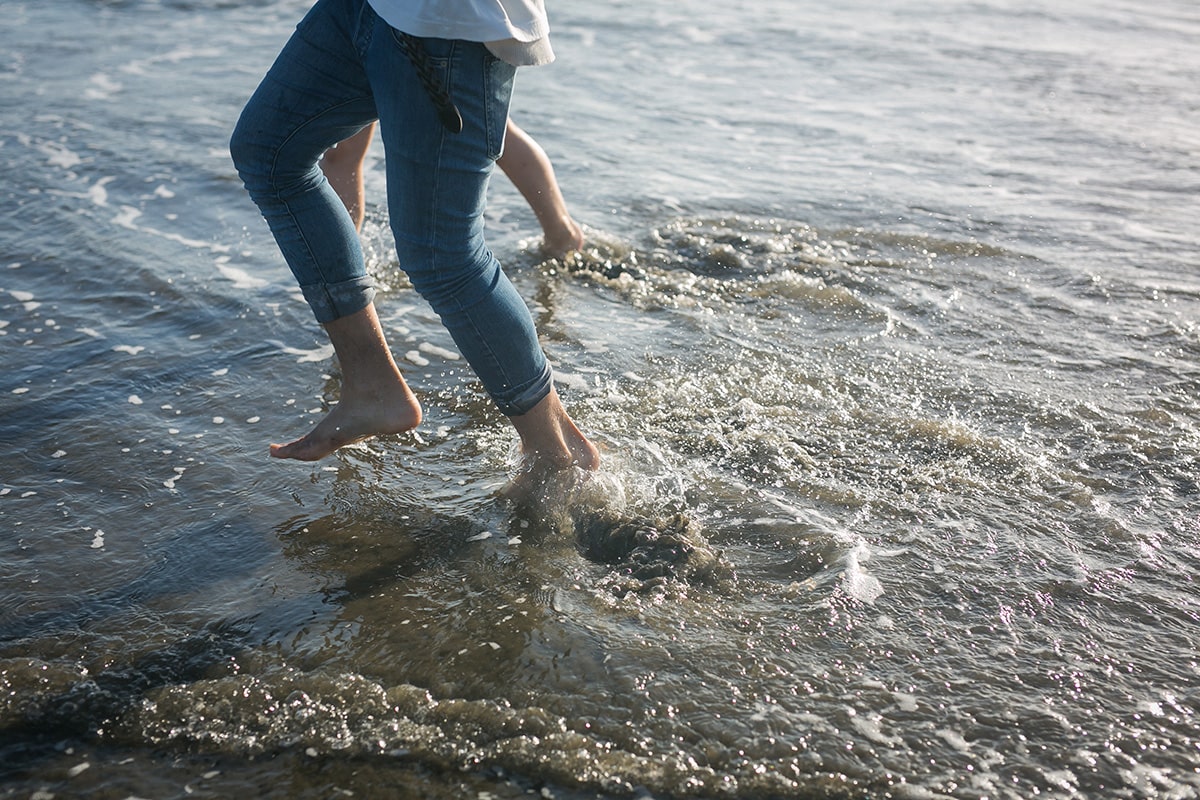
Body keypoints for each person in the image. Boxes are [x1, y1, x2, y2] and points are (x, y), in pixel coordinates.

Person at [229, 0, 598, 478]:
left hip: (444, 21)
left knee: (442, 256)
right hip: (364, 8)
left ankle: (559, 456)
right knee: (267, 153)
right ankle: (370, 384)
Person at [321, 118, 584, 258]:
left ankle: (561, 232)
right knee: (342, 149)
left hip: (435, 23)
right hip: (368, 19)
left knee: (488, 123)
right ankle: (344, 274)